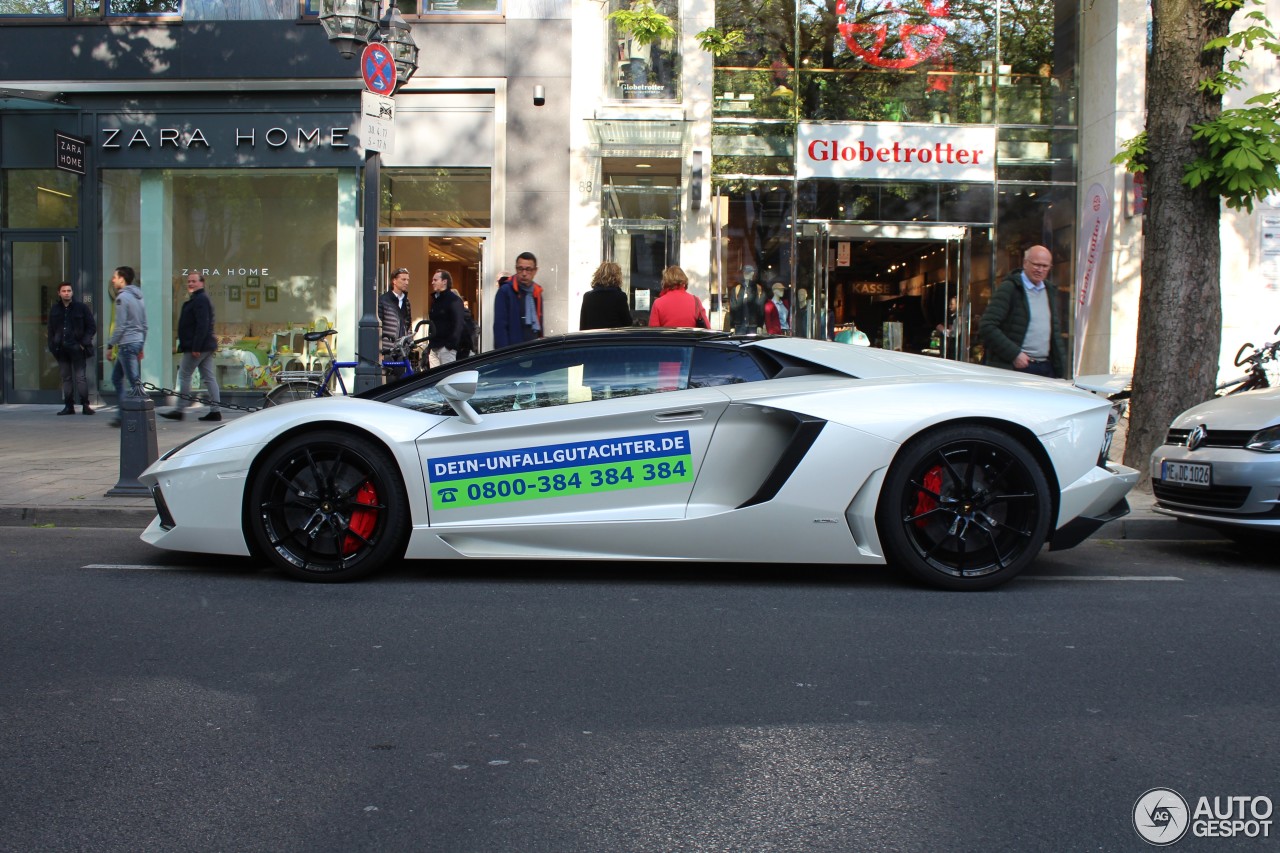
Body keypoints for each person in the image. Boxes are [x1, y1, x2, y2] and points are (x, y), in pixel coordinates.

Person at [979, 244, 1066, 378]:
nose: (1040, 270)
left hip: (1045, 368)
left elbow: (1054, 334)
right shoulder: (1010, 288)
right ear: (1025, 263)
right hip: (1016, 367)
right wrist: (1015, 354)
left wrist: (1061, 369)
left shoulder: (1049, 291)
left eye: (1045, 266)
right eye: (1036, 265)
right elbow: (987, 326)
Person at [161, 272, 221, 422]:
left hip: (198, 347)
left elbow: (202, 324)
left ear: (202, 283)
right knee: (208, 377)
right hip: (204, 346)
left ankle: (180, 410)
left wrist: (196, 346)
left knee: (184, 375)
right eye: (189, 281)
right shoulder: (198, 299)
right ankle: (215, 411)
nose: (191, 284)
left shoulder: (200, 299)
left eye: (194, 281)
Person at [47, 282, 98, 416]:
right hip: (61, 349)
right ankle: (69, 406)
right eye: (63, 291)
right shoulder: (55, 309)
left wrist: (83, 343)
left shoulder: (81, 308)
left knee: (81, 378)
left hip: (77, 348)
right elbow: (50, 329)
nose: (66, 293)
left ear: (72, 292)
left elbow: (91, 326)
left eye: (69, 290)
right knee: (66, 378)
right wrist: (52, 346)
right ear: (59, 293)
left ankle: (85, 405)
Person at [105, 265, 146, 427]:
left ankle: (135, 414)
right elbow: (144, 324)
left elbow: (120, 326)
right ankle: (123, 413)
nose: (113, 280)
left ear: (122, 279)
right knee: (118, 378)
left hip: (127, 344)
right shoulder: (138, 297)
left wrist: (110, 345)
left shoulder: (122, 298)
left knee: (134, 382)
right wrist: (141, 344)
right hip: (135, 342)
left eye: (115, 277)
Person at [493, 252, 544, 348]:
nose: (524, 274)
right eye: (520, 269)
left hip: (533, 350)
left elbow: (539, 327)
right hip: (513, 352)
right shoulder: (505, 291)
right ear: (516, 269)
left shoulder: (537, 292)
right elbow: (500, 328)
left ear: (535, 271)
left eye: (528, 269)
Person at [426, 269, 466, 368]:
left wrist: (450, 346)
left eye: (435, 280)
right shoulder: (435, 300)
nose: (432, 282)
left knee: (447, 379)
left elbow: (458, 324)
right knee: (434, 379)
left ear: (444, 282)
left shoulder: (454, 300)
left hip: (446, 348)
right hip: (434, 347)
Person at [379, 266, 413, 378]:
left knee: (402, 380)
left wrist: (409, 342)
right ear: (394, 280)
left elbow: (408, 324)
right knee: (387, 380)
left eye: (407, 279)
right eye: (403, 279)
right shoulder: (383, 300)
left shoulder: (406, 301)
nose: (406, 282)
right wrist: (379, 350)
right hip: (387, 348)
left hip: (402, 348)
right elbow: (379, 325)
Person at [579, 261, 633, 330]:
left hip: (593, 339)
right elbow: (627, 323)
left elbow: (583, 325)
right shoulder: (620, 296)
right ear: (617, 277)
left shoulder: (587, 296)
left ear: (598, 275)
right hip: (613, 338)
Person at [725, 265, 765, 334]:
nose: (746, 274)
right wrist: (732, 326)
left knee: (752, 344)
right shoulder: (736, 289)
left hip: (753, 325)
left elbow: (761, 309)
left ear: (752, 273)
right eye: (745, 272)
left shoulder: (758, 289)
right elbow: (733, 308)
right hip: (739, 325)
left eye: (748, 272)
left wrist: (760, 325)